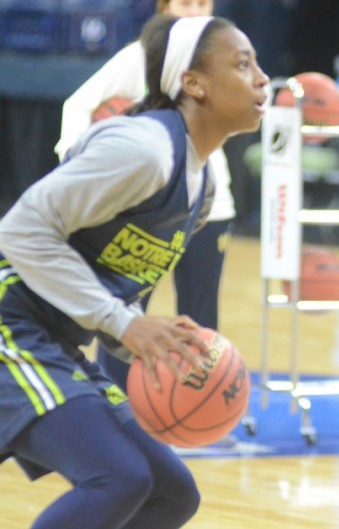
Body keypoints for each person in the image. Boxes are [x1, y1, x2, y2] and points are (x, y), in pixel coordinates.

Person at [0, 14, 269, 529]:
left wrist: (158, 341)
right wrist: (124, 323)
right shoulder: (141, 150)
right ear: (193, 83)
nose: (262, 79)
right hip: (10, 324)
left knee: (171, 494)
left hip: (52, 338)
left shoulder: (202, 185)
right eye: (242, 65)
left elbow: (110, 280)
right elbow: (19, 230)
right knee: (119, 477)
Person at [55, 0, 236, 391]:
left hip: (208, 206)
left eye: (202, 4)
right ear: (163, 9)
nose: (194, 12)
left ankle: (199, 407)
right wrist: (75, 164)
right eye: (185, 3)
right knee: (128, 318)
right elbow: (78, 105)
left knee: (200, 319)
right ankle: (116, 402)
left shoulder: (223, 61)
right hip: (145, 209)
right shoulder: (138, 57)